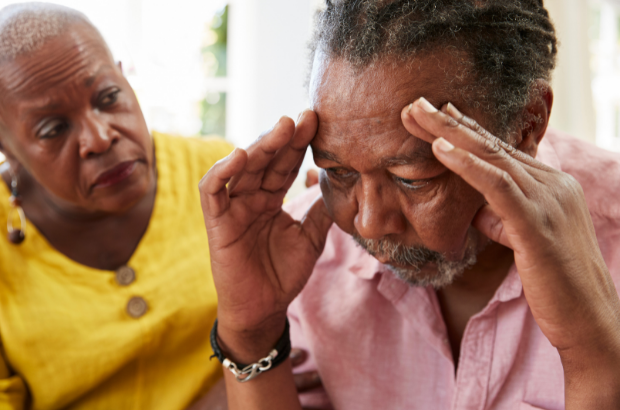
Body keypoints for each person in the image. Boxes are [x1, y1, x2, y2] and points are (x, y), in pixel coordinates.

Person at [199, 1, 620, 409]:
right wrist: (253, 334)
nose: (368, 223)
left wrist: (594, 354)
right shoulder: (303, 253)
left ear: (526, 124)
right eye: (338, 171)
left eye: (411, 180)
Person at [0, 3, 239, 409]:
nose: (99, 138)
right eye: (53, 128)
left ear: (126, 79)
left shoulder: (225, 175)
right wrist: (234, 394)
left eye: (108, 97)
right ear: (8, 149)